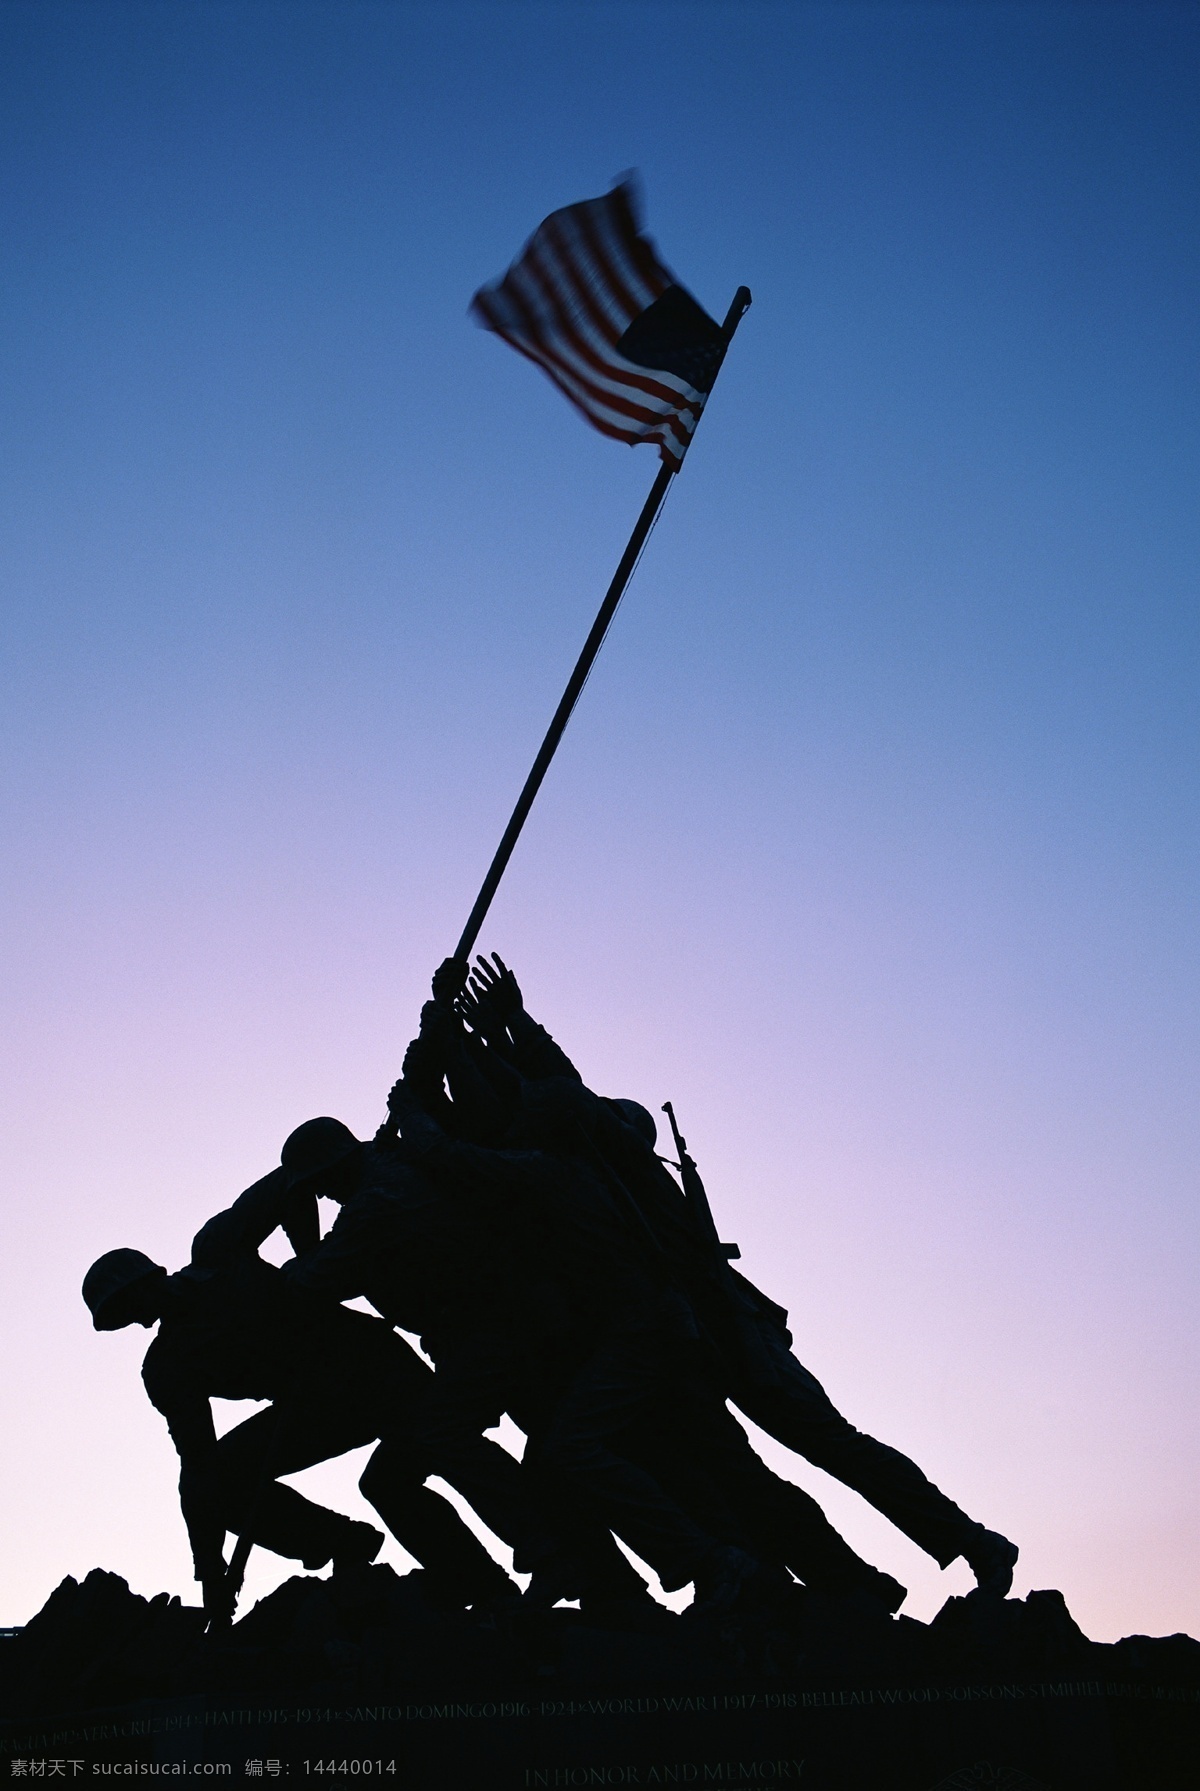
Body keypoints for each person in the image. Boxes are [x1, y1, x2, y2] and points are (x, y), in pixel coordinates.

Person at [454, 954, 1020, 1599]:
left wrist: (513, 1028)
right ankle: (850, 1582)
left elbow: (565, 1095)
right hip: (697, 1344)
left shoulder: (635, 1172)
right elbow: (547, 1105)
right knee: (746, 1475)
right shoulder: (612, 1178)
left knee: (831, 1444)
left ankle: (973, 1542)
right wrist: (484, 1039)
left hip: (734, 1334)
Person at [82, 1167, 518, 1625]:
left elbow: (296, 1181)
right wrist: (209, 1568)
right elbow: (199, 1468)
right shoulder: (169, 1367)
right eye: (123, 1316)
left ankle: (516, 1568)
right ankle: (341, 1543)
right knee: (225, 1483)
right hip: (318, 1409)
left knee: (405, 1472)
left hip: (376, 1370)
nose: (134, 1317)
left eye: (129, 1304)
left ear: (148, 1278)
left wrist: (310, 1265)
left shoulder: (218, 1250)